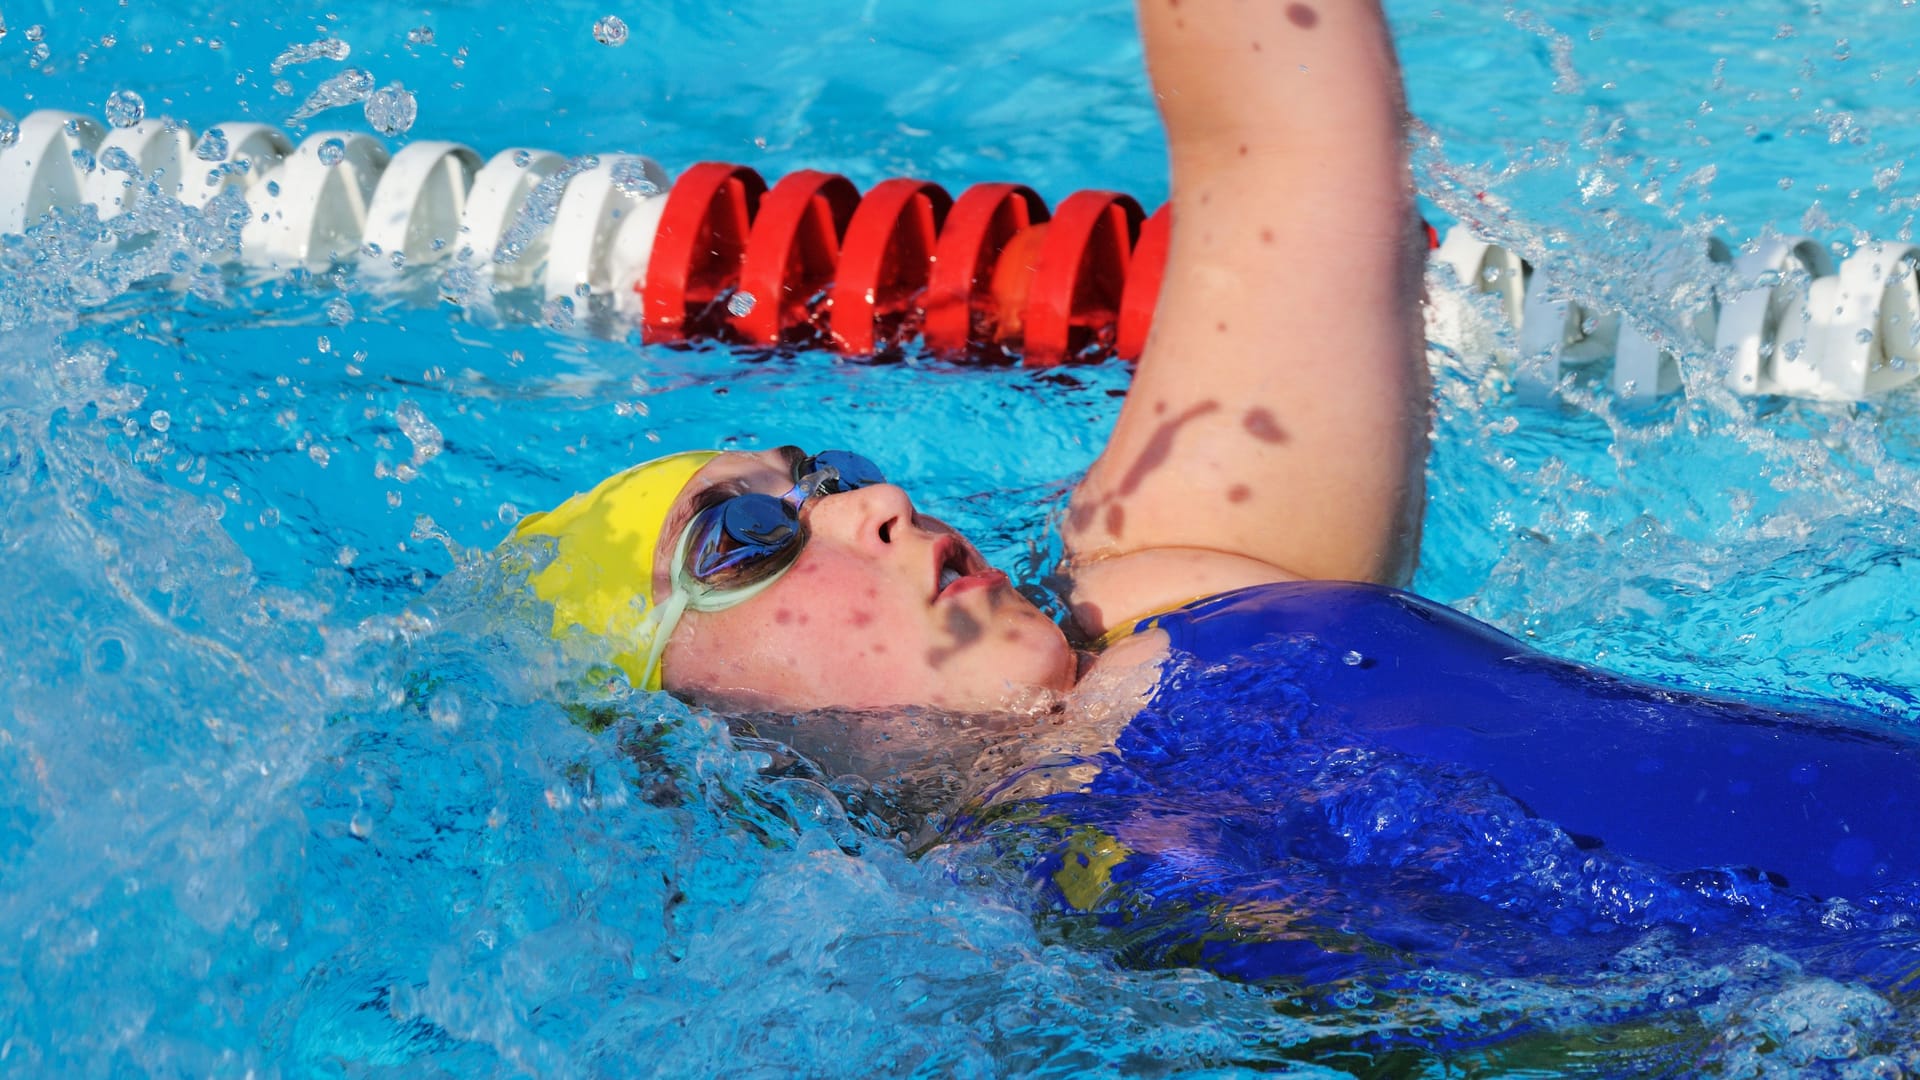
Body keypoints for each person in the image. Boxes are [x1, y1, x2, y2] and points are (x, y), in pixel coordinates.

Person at [510, 0, 1920, 984]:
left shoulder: (1171, 580)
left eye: (827, 476)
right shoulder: (954, 969)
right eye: (749, 538)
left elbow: (1285, 160)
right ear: (676, 739)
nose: (867, 509)